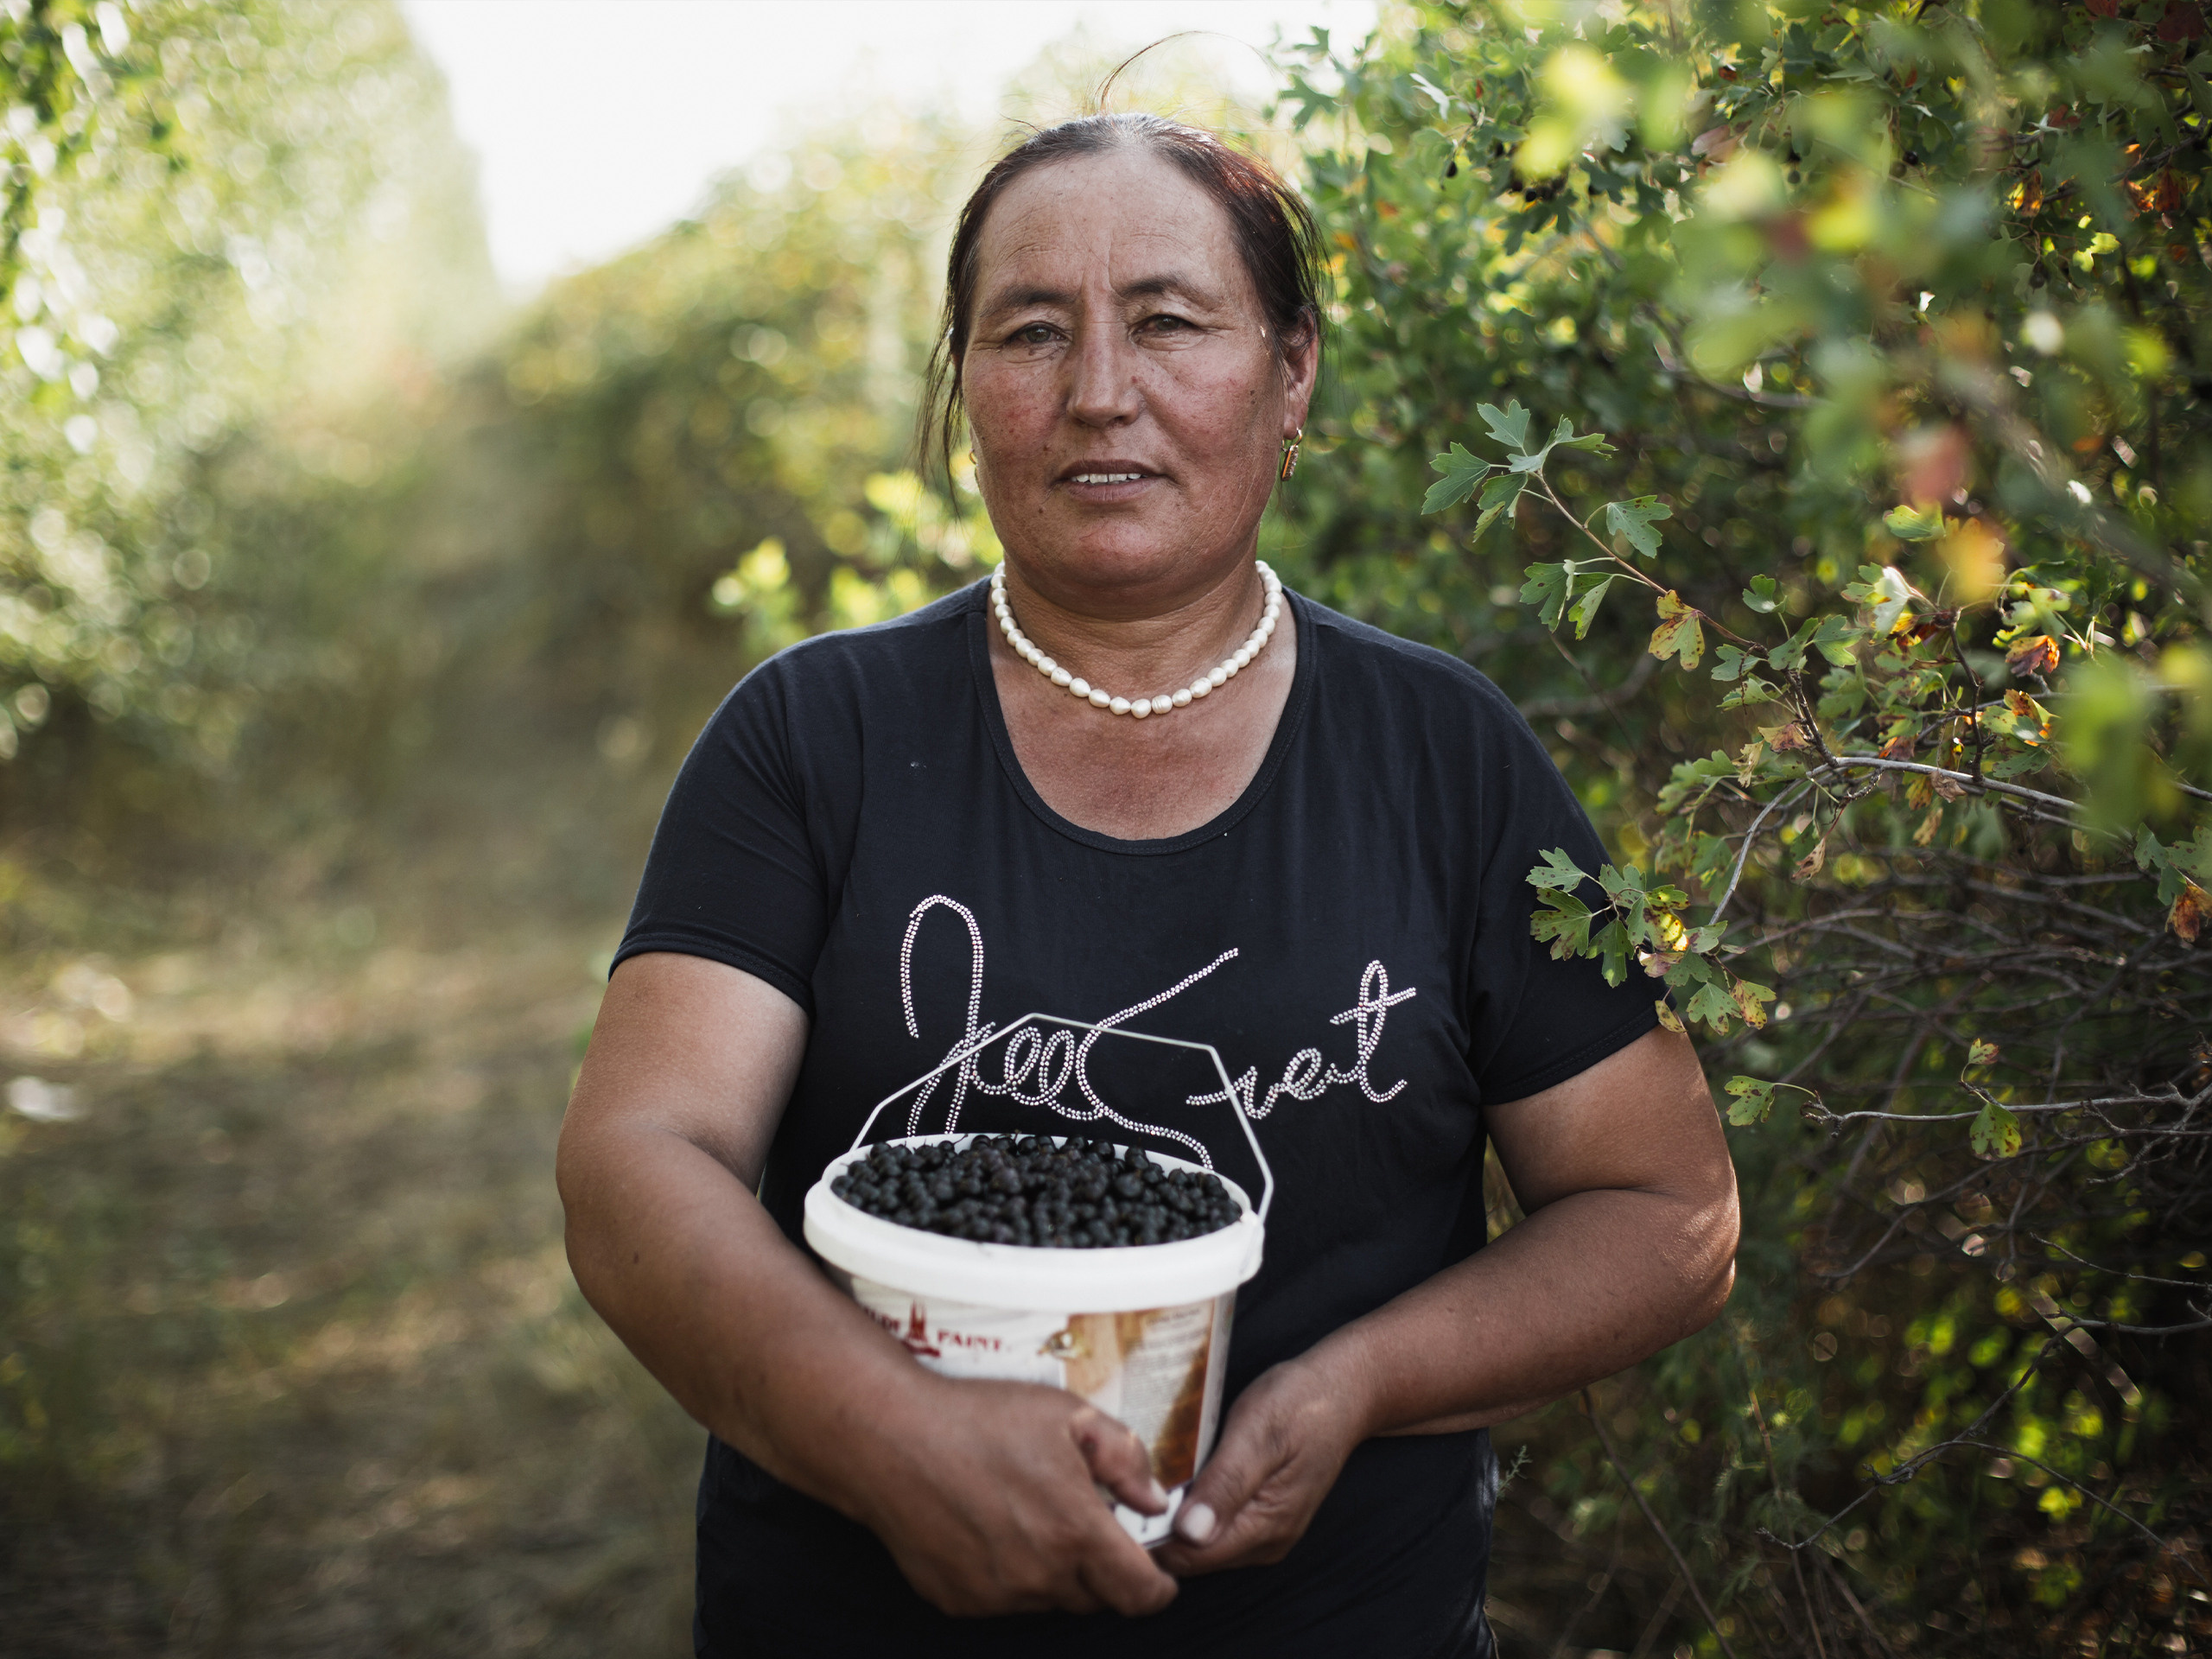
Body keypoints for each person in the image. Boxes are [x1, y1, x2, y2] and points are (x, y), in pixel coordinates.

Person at [556, 113, 1739, 1658]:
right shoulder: (813, 740)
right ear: (966, 389)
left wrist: (1358, 1382)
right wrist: (887, 1435)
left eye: (1172, 321)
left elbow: (1667, 1208)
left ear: (1291, 370)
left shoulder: (1443, 759)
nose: (1100, 391)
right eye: (1030, 331)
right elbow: (639, 1159)